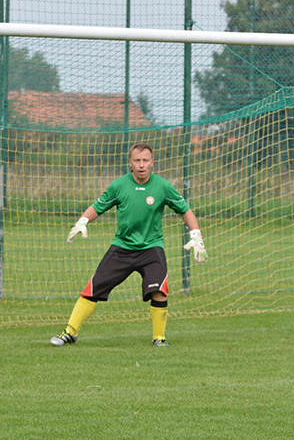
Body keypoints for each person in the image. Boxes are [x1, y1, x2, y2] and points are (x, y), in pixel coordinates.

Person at [51, 143, 208, 347]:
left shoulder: (163, 186)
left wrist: (196, 235)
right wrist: (82, 222)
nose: (141, 165)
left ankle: (159, 338)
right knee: (93, 288)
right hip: (122, 247)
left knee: (160, 289)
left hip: (151, 248)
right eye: (137, 160)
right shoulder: (119, 185)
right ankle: (70, 332)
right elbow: (98, 206)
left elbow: (185, 209)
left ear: (152, 162)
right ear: (130, 163)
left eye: (145, 160)